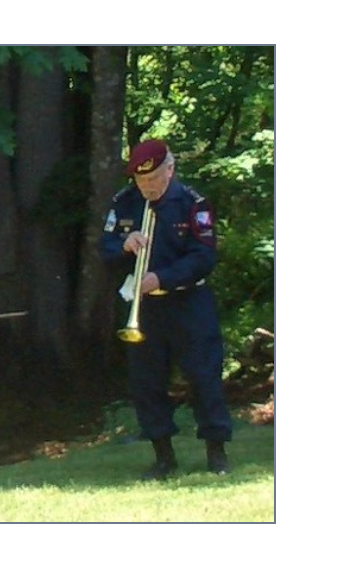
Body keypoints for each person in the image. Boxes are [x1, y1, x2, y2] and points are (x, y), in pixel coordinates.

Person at [98, 139, 232, 480]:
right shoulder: (124, 203)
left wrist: (162, 277)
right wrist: (124, 246)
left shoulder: (192, 202)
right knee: (147, 382)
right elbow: (106, 249)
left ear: (169, 170)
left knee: (203, 376)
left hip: (188, 303)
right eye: (142, 181)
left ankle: (216, 452)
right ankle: (163, 456)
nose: (148, 187)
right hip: (144, 309)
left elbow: (203, 257)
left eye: (154, 179)